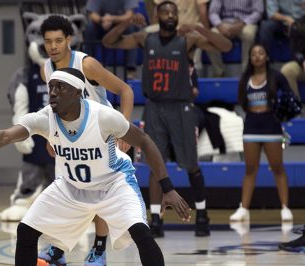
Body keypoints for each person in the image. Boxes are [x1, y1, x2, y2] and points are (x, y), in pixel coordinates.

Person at [0, 67, 191, 266]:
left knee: (140, 232)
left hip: (113, 184)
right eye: (51, 88)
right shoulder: (46, 117)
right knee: (26, 231)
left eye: (60, 88)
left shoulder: (103, 117)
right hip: (71, 187)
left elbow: (146, 142)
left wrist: (168, 187)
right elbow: (5, 135)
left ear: (78, 92)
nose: (53, 93)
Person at [102, 1, 232, 238]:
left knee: (191, 164)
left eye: (174, 13)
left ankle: (202, 215)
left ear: (178, 17)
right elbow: (108, 42)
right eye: (166, 12)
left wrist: (201, 28)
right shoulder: (145, 39)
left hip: (181, 108)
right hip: (154, 108)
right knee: (155, 164)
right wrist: (126, 23)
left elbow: (226, 46)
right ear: (157, 16)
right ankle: (155, 219)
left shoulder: (187, 40)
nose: (170, 16)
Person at [37, 15, 135, 266]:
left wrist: (123, 131)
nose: (53, 46)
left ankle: (99, 249)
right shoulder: (46, 68)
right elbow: (57, 104)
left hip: (102, 131)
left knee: (98, 192)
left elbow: (125, 90)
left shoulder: (86, 64)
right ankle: (58, 250)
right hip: (72, 135)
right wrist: (51, 134)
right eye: (48, 42)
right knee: (68, 191)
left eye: (59, 40)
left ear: (69, 40)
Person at [229, 44, 293, 222]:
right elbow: (242, 101)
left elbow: (290, 97)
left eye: (261, 53)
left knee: (277, 167)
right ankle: (244, 209)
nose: (257, 57)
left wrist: (279, 112)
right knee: (250, 169)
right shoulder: (246, 78)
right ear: (250, 58)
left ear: (267, 57)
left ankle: (285, 207)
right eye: (253, 54)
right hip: (251, 128)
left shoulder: (276, 76)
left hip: (271, 127)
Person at [84, 0, 141, 78]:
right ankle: (87, 65)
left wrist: (112, 19)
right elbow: (92, 15)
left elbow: (129, 15)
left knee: (131, 28)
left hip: (121, 25)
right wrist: (101, 20)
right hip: (102, 24)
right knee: (89, 28)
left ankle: (130, 68)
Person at [207, 0, 263, 77]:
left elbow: (258, 12)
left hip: (246, 22)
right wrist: (219, 25)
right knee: (211, 36)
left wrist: (243, 23)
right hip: (225, 22)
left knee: (249, 35)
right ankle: (219, 72)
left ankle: (246, 72)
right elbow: (213, 12)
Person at [281, 15, 305, 100]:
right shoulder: (297, 25)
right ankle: (295, 107)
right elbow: (295, 51)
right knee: (287, 70)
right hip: (303, 64)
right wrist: (302, 61)